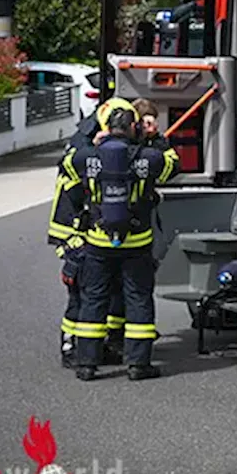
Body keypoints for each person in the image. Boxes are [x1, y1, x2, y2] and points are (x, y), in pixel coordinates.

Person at [63, 101, 178, 381]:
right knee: (138, 299)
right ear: (134, 127)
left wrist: (94, 143)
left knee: (93, 300)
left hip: (98, 242)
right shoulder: (148, 157)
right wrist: (154, 138)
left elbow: (68, 164)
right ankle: (138, 365)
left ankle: (86, 364)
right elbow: (173, 164)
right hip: (137, 243)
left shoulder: (88, 157)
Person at [48, 97, 137, 369]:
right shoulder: (83, 155)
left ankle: (101, 346)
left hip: (92, 238)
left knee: (107, 295)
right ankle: (71, 346)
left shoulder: (91, 149)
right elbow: (68, 202)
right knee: (81, 296)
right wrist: (70, 244)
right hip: (77, 237)